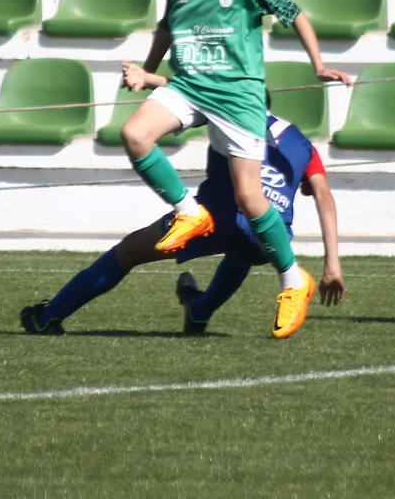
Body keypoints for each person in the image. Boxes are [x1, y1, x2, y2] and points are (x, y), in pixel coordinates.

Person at [120, 0, 350, 339]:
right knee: (135, 134)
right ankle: (189, 211)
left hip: (238, 96)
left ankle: (292, 280)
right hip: (189, 85)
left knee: (249, 198)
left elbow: (295, 13)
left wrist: (319, 64)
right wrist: (148, 73)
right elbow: (168, 25)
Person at [22, 110, 344, 336]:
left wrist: (149, 78)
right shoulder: (303, 143)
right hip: (273, 239)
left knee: (129, 251)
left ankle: (47, 317)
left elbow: (183, 100)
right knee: (245, 247)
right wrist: (332, 267)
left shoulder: (229, 112)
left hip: (217, 218)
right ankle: (198, 311)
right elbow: (324, 196)